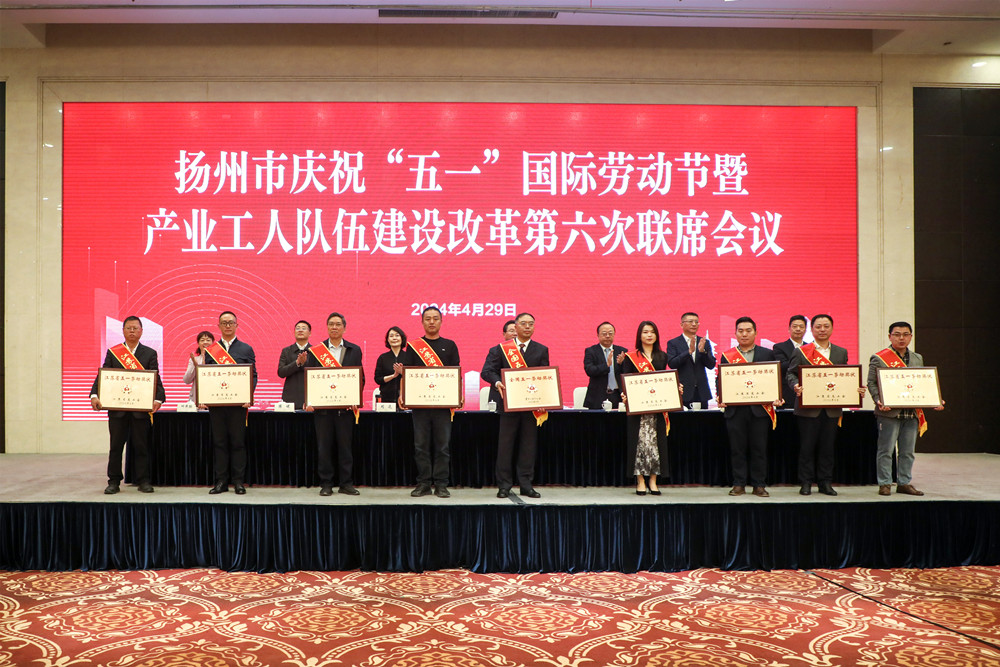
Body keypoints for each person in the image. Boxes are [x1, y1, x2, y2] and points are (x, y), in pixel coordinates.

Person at [786, 313, 864, 496]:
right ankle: (806, 483)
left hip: (832, 408)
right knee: (807, 447)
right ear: (812, 330)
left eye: (826, 326)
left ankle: (825, 482)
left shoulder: (840, 352)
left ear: (832, 329)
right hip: (807, 408)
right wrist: (795, 385)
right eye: (818, 327)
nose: (822, 330)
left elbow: (844, 376)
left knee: (827, 448)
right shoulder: (801, 351)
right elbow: (790, 373)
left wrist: (855, 389)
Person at [867, 321, 944, 497]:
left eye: (905, 334)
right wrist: (878, 400)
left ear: (910, 336)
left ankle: (904, 483)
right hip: (888, 412)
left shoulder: (917, 358)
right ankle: (885, 483)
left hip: (912, 412)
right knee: (886, 450)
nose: (901, 338)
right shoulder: (879, 358)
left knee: (908, 452)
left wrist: (934, 399)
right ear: (890, 336)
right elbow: (871, 383)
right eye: (897, 334)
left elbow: (923, 383)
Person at [90, 316, 165, 494]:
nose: (132, 331)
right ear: (123, 331)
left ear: (141, 331)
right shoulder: (114, 352)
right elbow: (103, 376)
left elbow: (156, 378)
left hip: (140, 409)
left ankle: (143, 480)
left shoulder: (149, 353)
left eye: (135, 328)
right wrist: (94, 395)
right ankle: (114, 481)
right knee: (116, 447)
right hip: (118, 409)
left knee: (141, 446)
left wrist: (158, 399)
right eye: (128, 328)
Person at [481, 312, 550, 498]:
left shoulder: (541, 350)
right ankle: (504, 485)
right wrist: (497, 382)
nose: (527, 327)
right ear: (516, 326)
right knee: (505, 446)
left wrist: (544, 400)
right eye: (523, 323)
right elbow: (487, 371)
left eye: (531, 324)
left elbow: (545, 377)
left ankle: (526, 485)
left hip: (530, 406)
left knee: (528, 446)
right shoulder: (500, 349)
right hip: (507, 405)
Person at [716, 317, 783, 498]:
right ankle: (738, 484)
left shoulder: (767, 354)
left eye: (748, 330)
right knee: (737, 449)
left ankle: (759, 485)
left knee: (759, 449)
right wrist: (721, 396)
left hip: (759, 410)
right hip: (735, 411)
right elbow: (720, 380)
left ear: (755, 332)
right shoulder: (727, 355)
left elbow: (773, 378)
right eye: (740, 331)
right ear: (735, 333)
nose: (744, 334)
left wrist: (777, 396)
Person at [400, 307, 461, 498]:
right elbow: (407, 373)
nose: (432, 322)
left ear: (441, 321)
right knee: (421, 446)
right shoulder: (413, 346)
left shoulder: (450, 345)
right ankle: (424, 483)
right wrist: (403, 394)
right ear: (422, 322)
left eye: (435, 318)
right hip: (420, 406)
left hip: (443, 405)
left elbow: (456, 373)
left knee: (442, 447)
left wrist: (459, 395)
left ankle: (441, 484)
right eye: (428, 319)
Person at [305, 312, 364, 496]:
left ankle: (346, 483)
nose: (334, 327)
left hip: (345, 410)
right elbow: (310, 377)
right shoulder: (316, 351)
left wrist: (356, 398)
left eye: (338, 324)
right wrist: (310, 400)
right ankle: (326, 484)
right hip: (322, 411)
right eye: (331, 324)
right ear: (327, 327)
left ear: (344, 328)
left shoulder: (354, 350)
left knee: (345, 448)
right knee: (324, 448)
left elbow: (360, 378)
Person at [203, 310, 257, 495]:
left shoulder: (246, 349)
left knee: (237, 443)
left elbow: (253, 375)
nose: (227, 325)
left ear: (236, 325)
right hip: (217, 405)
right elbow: (206, 376)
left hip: (238, 405)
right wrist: (205, 397)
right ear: (218, 326)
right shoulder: (212, 350)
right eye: (224, 323)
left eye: (230, 322)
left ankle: (239, 482)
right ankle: (221, 482)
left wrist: (248, 396)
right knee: (219, 443)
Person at [617, 321, 670, 495]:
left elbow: (664, 379)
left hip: (656, 407)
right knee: (639, 444)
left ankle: (653, 480)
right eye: (645, 332)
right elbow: (625, 380)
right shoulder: (631, 357)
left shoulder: (662, 356)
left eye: (652, 332)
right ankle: (640, 480)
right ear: (639, 335)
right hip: (638, 408)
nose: (649, 335)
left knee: (656, 444)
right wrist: (626, 394)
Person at [667, 312, 716, 408]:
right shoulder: (673, 343)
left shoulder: (704, 342)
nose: (694, 324)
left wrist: (702, 352)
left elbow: (711, 365)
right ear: (681, 324)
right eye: (690, 321)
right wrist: (688, 352)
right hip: (683, 391)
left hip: (701, 391)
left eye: (696, 322)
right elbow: (672, 364)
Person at [583, 321, 627, 410]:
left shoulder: (622, 351)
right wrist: (606, 365)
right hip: (597, 396)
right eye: (604, 333)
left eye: (610, 333)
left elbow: (627, 373)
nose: (607, 336)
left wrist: (622, 363)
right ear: (598, 335)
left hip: (618, 395)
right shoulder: (591, 351)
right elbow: (589, 370)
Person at [274, 320, 312, 409]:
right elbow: (281, 372)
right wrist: (297, 363)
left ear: (309, 333)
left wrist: (304, 363)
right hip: (290, 396)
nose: (300, 330)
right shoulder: (286, 351)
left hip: (310, 395)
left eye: (304, 328)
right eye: (298, 328)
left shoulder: (315, 351)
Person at [773, 315, 808, 409]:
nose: (798, 329)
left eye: (801, 326)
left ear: (805, 330)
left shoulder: (811, 347)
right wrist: (802, 361)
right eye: (795, 326)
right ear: (789, 329)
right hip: (787, 394)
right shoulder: (779, 347)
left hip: (807, 393)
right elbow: (782, 366)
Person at [374, 326, 407, 404]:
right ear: (388, 340)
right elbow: (378, 379)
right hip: (386, 399)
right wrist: (393, 376)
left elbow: (414, 378)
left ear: (402, 338)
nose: (394, 338)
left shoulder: (408, 356)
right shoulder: (383, 358)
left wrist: (402, 372)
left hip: (405, 399)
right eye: (391, 336)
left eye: (397, 335)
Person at [182, 330, 215, 402]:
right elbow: (186, 380)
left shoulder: (218, 359)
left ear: (213, 343)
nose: (205, 342)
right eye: (202, 340)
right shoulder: (194, 359)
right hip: (197, 397)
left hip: (215, 396)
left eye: (208, 340)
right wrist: (195, 364)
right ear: (198, 343)